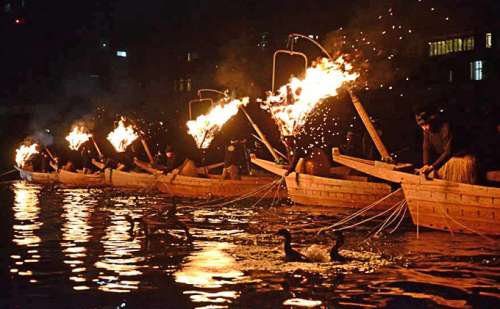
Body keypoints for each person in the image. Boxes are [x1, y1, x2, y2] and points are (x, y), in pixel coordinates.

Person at [414, 104, 479, 184]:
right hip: (446, 160)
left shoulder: (445, 128)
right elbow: (426, 148)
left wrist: (433, 166)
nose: (425, 128)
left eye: (426, 124)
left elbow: (448, 152)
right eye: (422, 126)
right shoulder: (426, 131)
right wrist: (426, 164)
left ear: (432, 121)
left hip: (459, 159)